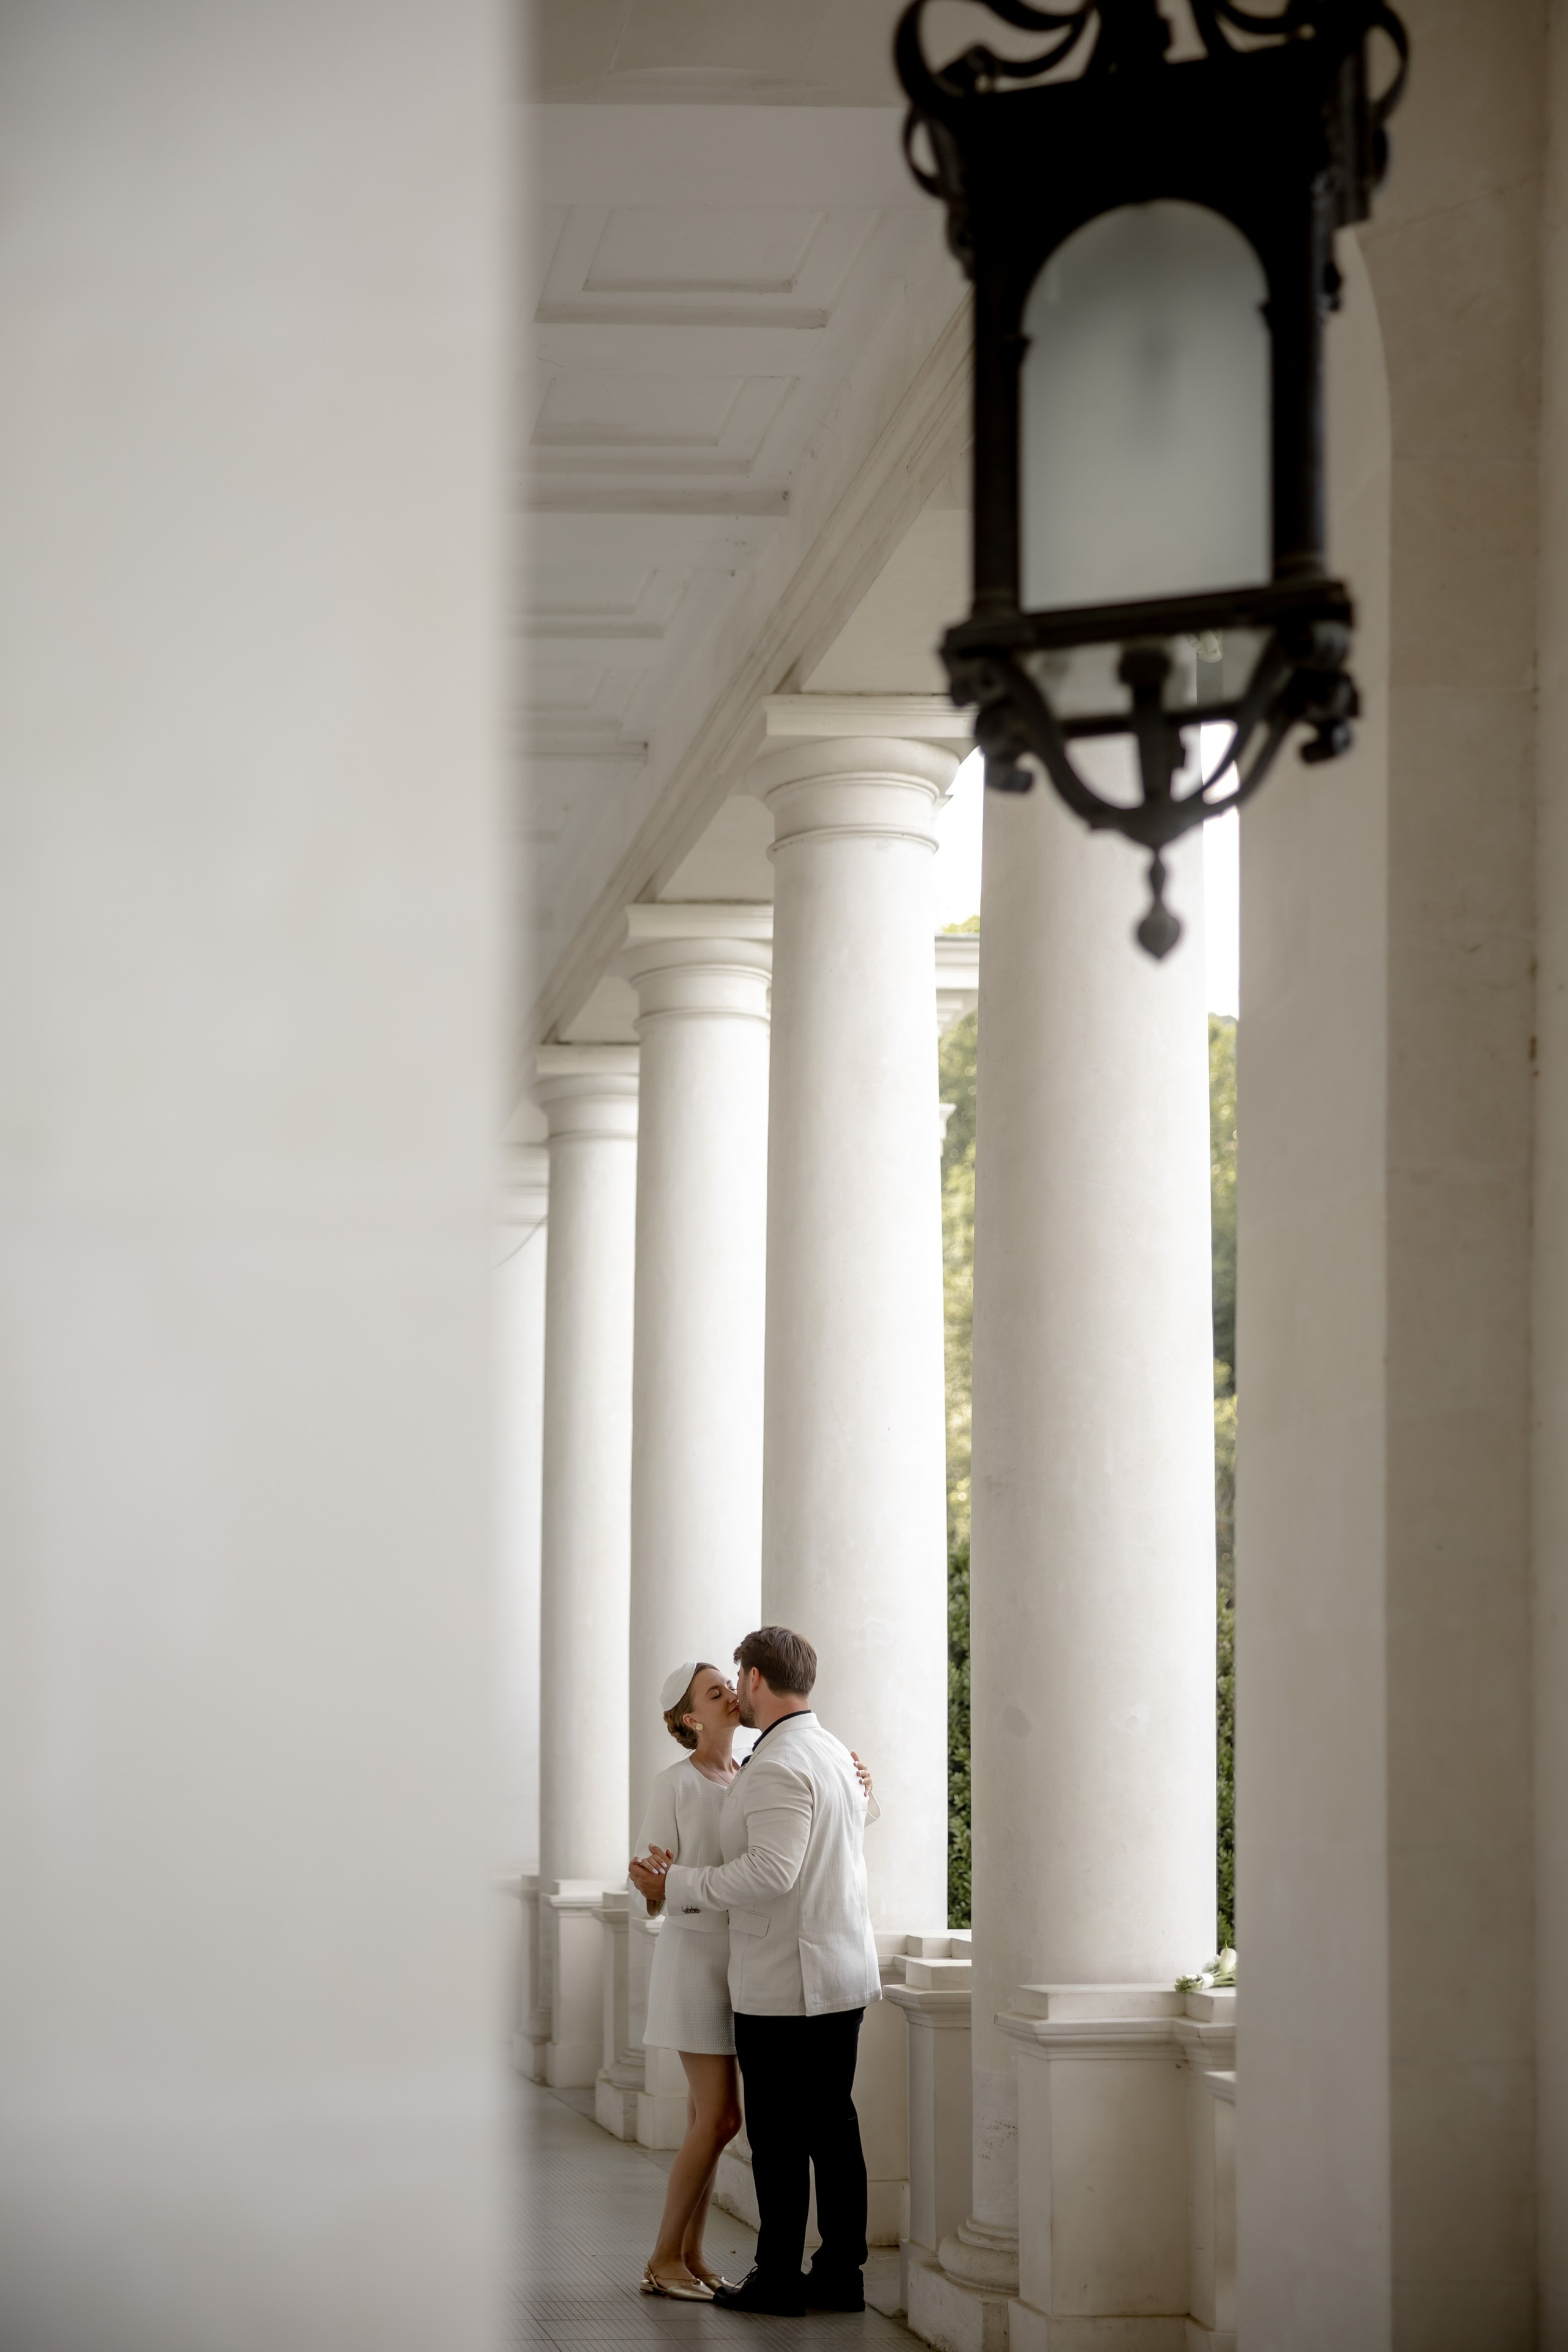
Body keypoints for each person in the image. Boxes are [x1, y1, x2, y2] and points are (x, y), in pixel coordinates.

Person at [630, 1626, 880, 2319]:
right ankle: (833, 2274)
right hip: (819, 1971)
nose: (733, 1693)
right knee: (824, 2129)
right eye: (716, 1689)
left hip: (783, 1976)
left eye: (734, 1680)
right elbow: (841, 1829)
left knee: (774, 2135)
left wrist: (679, 1884)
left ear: (757, 1681)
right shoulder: (823, 1750)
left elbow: (774, 1868)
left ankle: (775, 2277)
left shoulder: (768, 1765)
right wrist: (661, 1886)